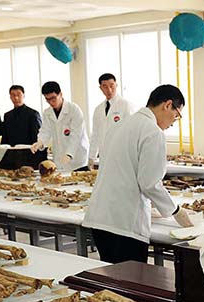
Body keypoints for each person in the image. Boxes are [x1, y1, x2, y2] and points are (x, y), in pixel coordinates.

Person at [83, 85, 194, 263]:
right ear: (167, 105)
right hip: (124, 224)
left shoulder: (119, 126)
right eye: (177, 115)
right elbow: (150, 183)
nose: (173, 122)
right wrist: (176, 211)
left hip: (101, 219)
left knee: (111, 283)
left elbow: (122, 171)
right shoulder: (153, 132)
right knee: (130, 285)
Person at [31, 81, 89, 172]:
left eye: (53, 98)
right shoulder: (47, 113)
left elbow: (76, 135)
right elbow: (45, 131)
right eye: (47, 99)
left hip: (78, 161)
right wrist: (40, 142)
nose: (51, 102)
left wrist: (69, 154)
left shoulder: (74, 110)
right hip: (59, 160)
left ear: (60, 94)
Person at [88, 73, 136, 168]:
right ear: (100, 88)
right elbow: (95, 135)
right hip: (104, 157)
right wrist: (91, 157)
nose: (109, 90)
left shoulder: (125, 105)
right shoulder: (98, 109)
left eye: (112, 86)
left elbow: (132, 133)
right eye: (105, 86)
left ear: (116, 85)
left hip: (122, 156)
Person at [0, 85, 44, 169]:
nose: (16, 97)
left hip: (28, 155)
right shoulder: (7, 115)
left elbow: (37, 137)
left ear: (24, 95)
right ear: (10, 97)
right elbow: (5, 138)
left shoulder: (33, 114)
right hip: (12, 155)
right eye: (13, 95)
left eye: (18, 94)